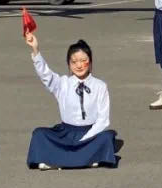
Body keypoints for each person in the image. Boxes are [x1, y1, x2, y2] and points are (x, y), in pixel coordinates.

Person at [25, 34, 118, 169]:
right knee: (39, 134)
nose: (79, 65)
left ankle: (58, 160)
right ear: (68, 64)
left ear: (90, 62)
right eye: (74, 62)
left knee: (107, 137)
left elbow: (103, 119)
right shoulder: (62, 83)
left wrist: (86, 138)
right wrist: (35, 49)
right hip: (66, 134)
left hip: (90, 135)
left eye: (83, 60)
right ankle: (87, 159)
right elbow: (46, 75)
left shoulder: (100, 86)